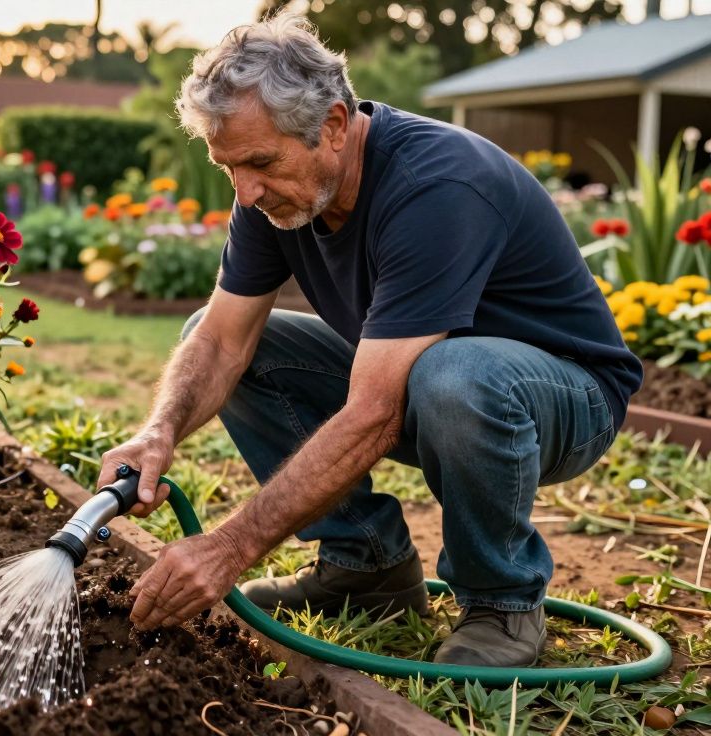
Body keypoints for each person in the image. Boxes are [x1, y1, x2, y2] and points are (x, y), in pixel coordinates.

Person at [98, 12, 642, 667]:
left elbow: (376, 413)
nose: (245, 191)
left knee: (453, 373)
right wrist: (158, 429)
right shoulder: (273, 194)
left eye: (261, 162)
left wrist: (231, 546)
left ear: (330, 124)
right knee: (220, 343)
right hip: (432, 384)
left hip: (563, 395)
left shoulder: (434, 185)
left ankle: (501, 601)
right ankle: (368, 567)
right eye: (228, 166)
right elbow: (219, 342)